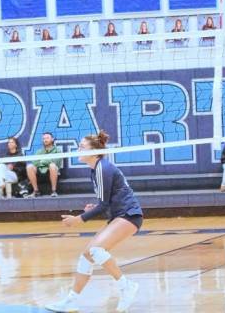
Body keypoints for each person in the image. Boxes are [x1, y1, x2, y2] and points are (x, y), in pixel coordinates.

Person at [46, 131, 142, 312]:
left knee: (96, 250)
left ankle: (126, 285)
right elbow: (104, 203)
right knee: (87, 256)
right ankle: (71, 300)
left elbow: (104, 204)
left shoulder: (102, 168)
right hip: (118, 215)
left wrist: (78, 219)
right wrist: (93, 208)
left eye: (82, 146)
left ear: (95, 151)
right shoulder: (95, 169)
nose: (78, 149)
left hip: (129, 215)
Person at [25, 133, 62, 197]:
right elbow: (35, 162)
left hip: (52, 173)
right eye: (44, 138)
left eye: (47, 138)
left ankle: (54, 191)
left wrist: (42, 161)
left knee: (52, 165)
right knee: (29, 167)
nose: (45, 140)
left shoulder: (58, 150)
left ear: (52, 139)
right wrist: (48, 160)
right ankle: (36, 191)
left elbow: (56, 161)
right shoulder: (39, 151)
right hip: (40, 173)